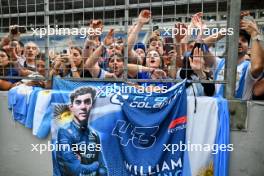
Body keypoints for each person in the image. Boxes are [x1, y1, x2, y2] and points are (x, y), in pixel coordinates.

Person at [56, 87, 107, 176]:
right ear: (71, 107)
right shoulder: (64, 132)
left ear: (92, 106)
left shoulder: (94, 134)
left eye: (87, 102)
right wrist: (95, 165)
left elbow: (103, 170)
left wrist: (89, 167)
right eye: (78, 102)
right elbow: (75, 169)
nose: (83, 107)